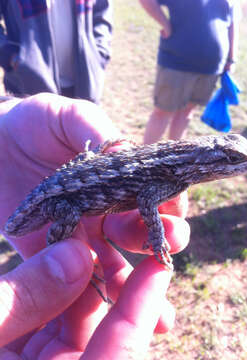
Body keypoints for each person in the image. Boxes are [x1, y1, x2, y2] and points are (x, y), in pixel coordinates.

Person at [0, 93, 190, 359]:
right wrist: (157, 238)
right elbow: (147, 199)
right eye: (231, 160)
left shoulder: (178, 170)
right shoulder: (176, 170)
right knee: (66, 227)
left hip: (68, 185)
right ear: (212, 161)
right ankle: (60, 251)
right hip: (59, 199)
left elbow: (147, 195)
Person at [139, 0, 241, 143]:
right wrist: (165, 24)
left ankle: (175, 157)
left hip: (212, 66)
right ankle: (144, 161)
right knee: (163, 112)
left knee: (187, 112)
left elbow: (233, 22)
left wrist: (231, 58)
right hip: (177, 61)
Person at [0, 0, 112, 103]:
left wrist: (99, 54)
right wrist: (11, 57)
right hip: (28, 86)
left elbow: (102, 11)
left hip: (86, 82)